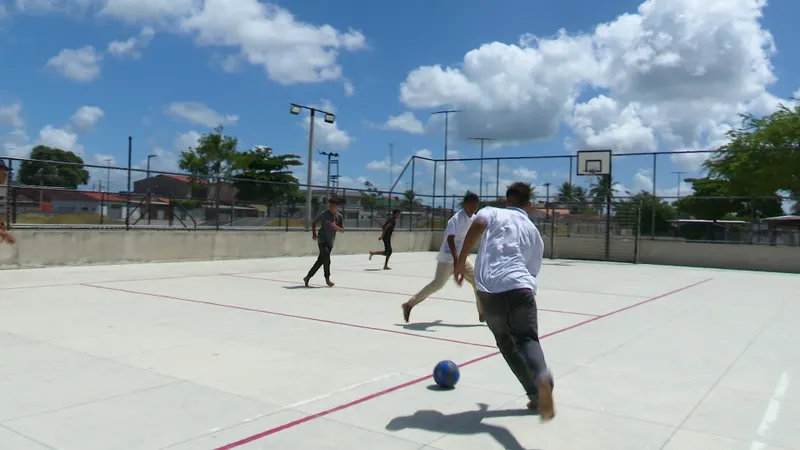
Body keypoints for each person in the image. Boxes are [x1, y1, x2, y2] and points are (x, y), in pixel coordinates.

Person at [454, 182, 555, 421]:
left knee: (506, 343)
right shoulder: (533, 231)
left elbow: (478, 223)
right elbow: (532, 271)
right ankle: (542, 377)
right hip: (520, 287)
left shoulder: (493, 211)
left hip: (490, 291)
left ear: (506, 200)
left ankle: (534, 393)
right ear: (529, 205)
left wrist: (461, 260)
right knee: (527, 339)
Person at [402, 191, 484, 323]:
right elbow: (450, 239)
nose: (473, 208)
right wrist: (457, 261)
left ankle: (482, 312)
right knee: (437, 284)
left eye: (476, 205)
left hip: (461, 256)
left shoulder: (473, 219)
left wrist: (462, 259)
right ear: (465, 204)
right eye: (471, 205)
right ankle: (409, 304)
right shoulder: (456, 219)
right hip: (447, 257)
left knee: (477, 281)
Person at [303, 198, 344, 287]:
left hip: (330, 241)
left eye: (333, 206)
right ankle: (327, 279)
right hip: (322, 240)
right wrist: (314, 234)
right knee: (327, 259)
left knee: (321, 260)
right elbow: (314, 222)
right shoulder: (324, 214)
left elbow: (342, 230)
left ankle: (308, 277)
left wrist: (336, 227)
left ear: (337, 206)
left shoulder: (339, 216)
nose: (331, 207)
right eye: (329, 205)